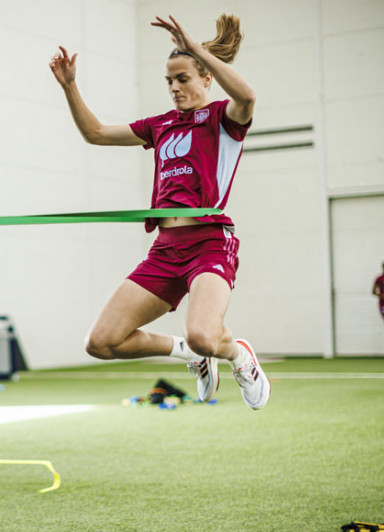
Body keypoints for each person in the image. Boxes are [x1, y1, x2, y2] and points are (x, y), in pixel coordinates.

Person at [49, 13, 269, 409]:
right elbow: (95, 133)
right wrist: (70, 87)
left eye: (182, 78)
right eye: (169, 81)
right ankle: (188, 352)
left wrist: (196, 47)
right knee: (100, 342)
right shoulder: (160, 125)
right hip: (165, 250)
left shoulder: (223, 118)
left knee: (207, 334)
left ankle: (239, 357)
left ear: (205, 77)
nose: (174, 87)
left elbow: (248, 97)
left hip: (209, 245)